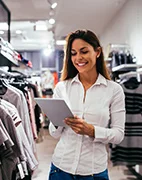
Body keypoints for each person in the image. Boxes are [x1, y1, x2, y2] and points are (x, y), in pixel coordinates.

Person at [48, 29, 125, 180]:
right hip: (60, 168)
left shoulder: (114, 90)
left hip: (94, 171)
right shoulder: (62, 87)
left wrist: (92, 131)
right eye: (73, 53)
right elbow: (54, 133)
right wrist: (57, 121)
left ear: (97, 52)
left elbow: (118, 134)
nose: (78, 58)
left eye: (84, 51)